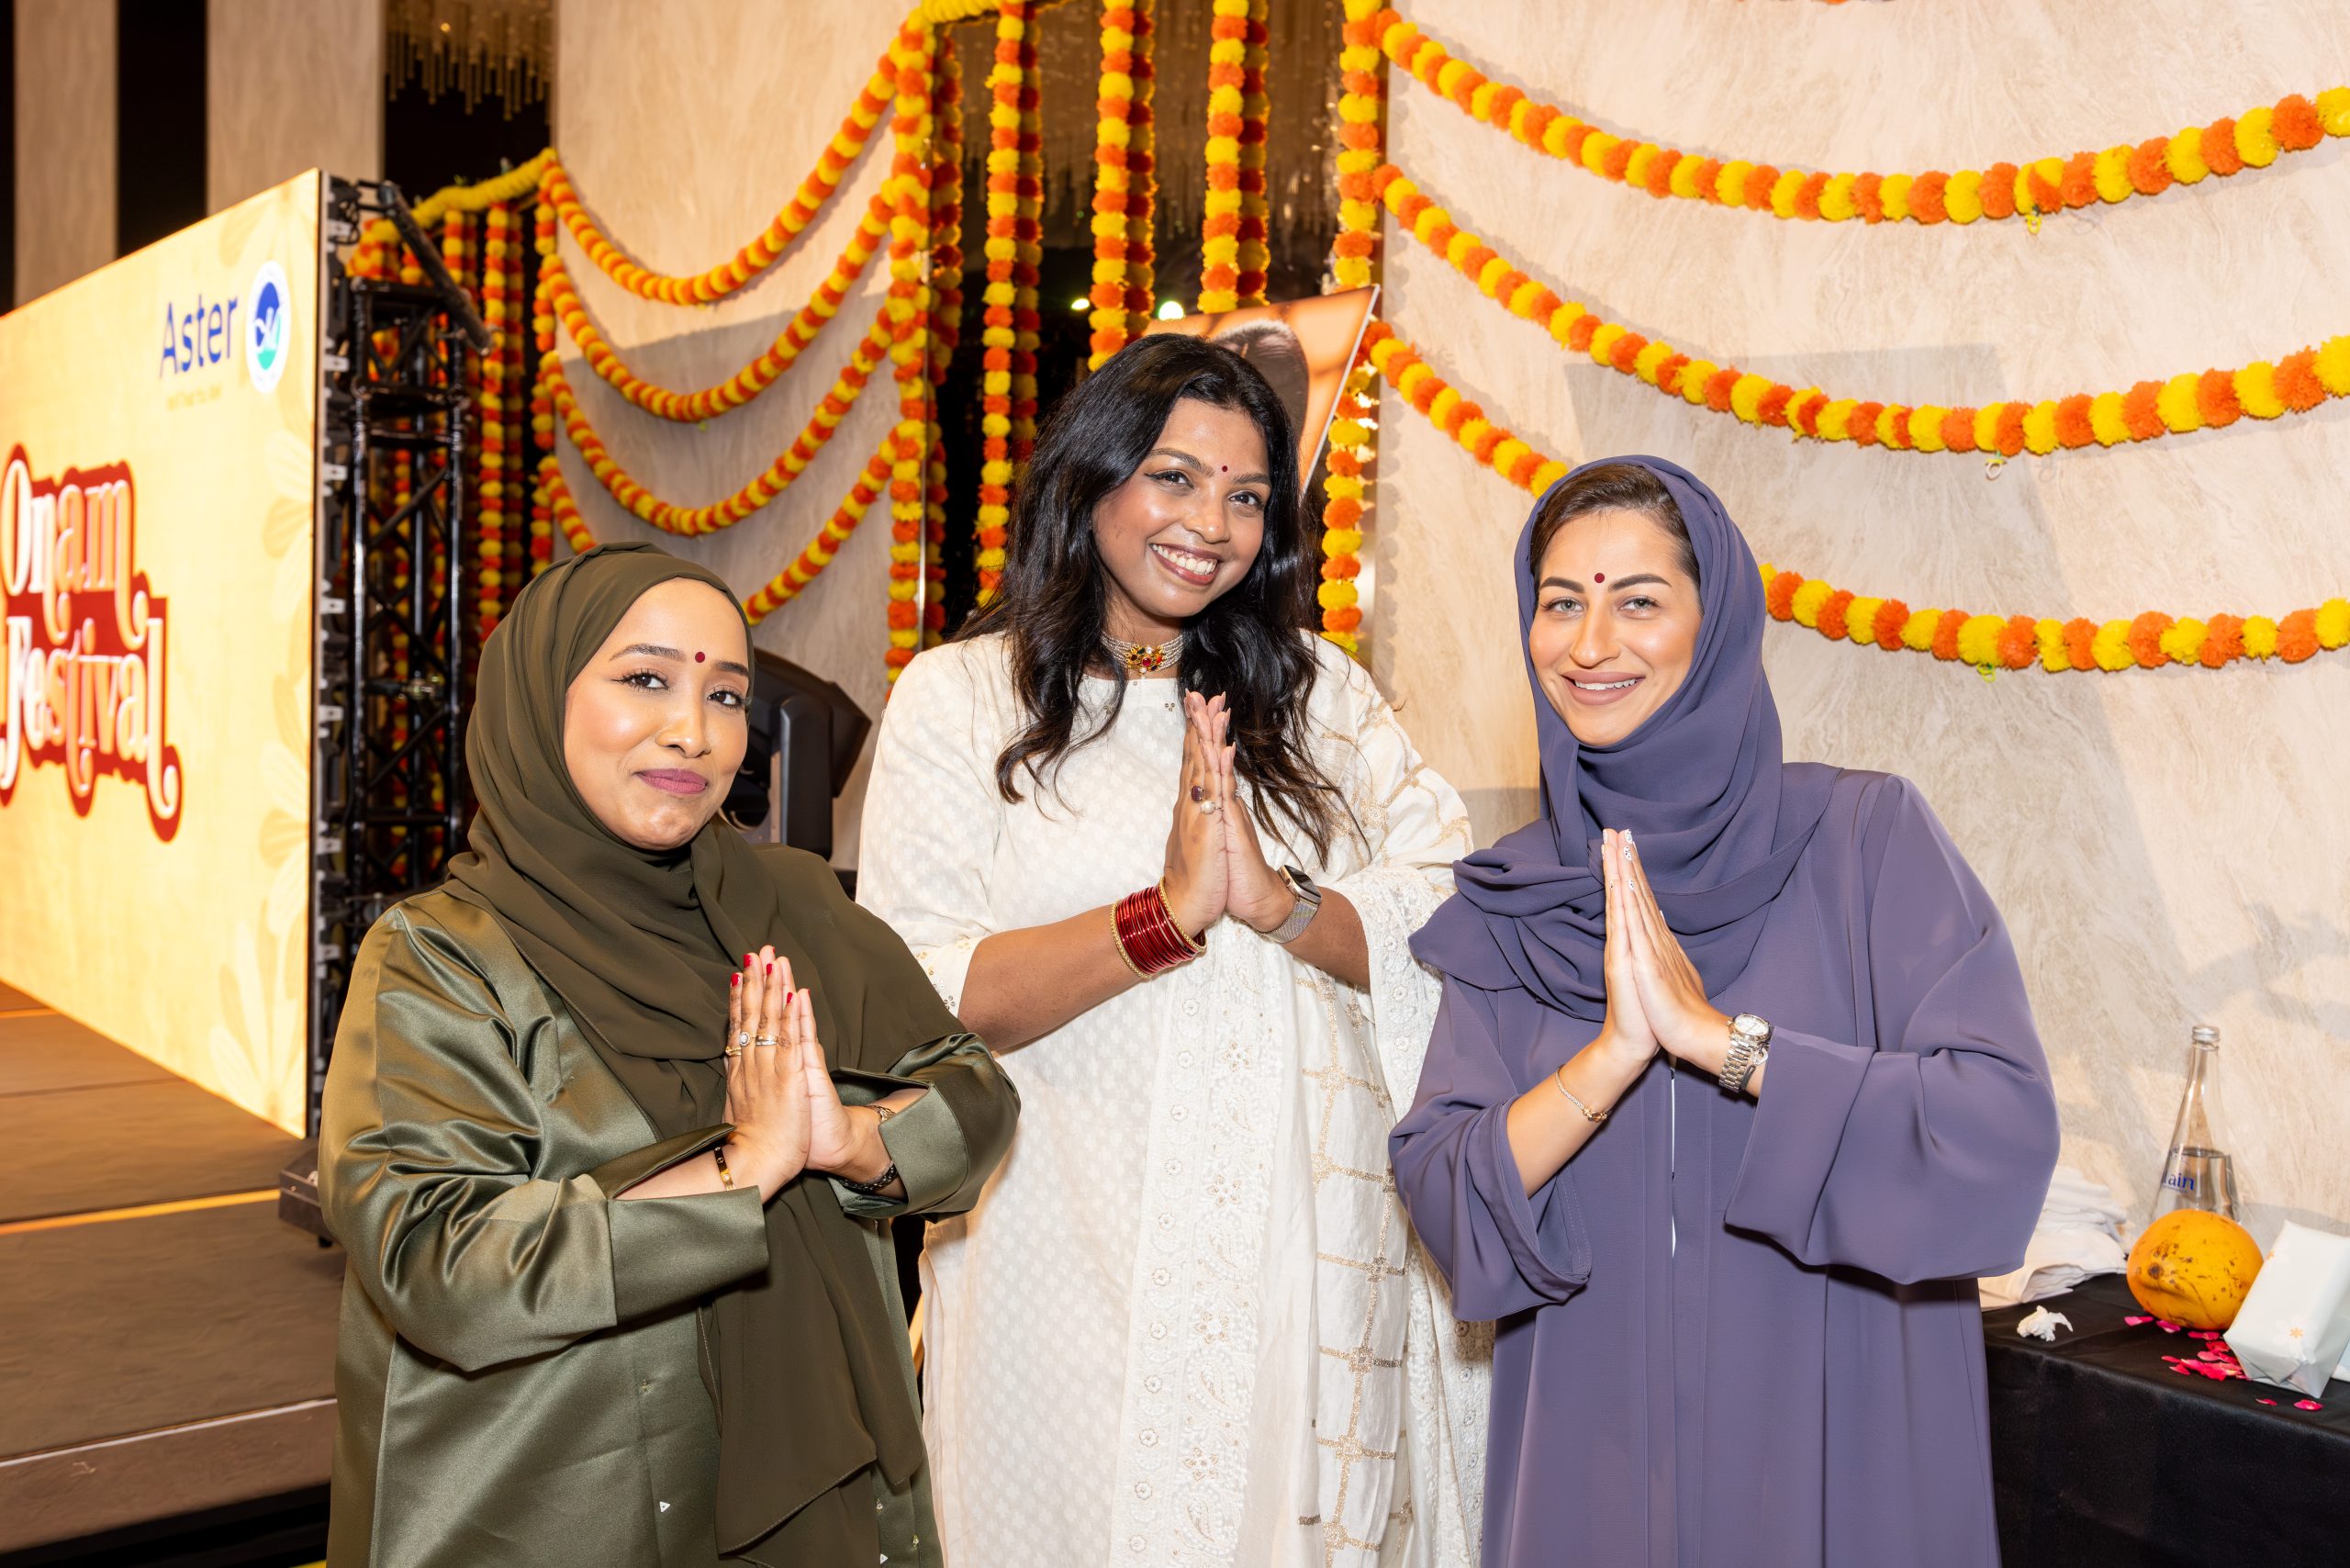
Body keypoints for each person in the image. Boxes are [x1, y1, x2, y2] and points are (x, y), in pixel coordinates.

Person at [856, 334, 1488, 1567]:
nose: (1212, 524)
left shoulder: (1323, 698)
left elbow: (1450, 913)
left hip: (1310, 1277)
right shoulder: (964, 699)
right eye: (1175, 477)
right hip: (1063, 1266)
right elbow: (918, 989)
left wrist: (1280, 904)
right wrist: (1164, 917)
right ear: (1091, 479)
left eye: (1247, 496)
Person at [1390, 457, 2061, 1568]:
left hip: (1835, 1439)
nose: (1588, 643)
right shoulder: (1519, 895)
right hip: (1592, 1453)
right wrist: (1609, 1059)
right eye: (1560, 602)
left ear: (1718, 623)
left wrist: (1722, 1044)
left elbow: (1994, 1129)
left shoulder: (1864, 841)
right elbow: (1449, 1194)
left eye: (1637, 600)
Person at [319, 543, 1016, 1568]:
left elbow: (975, 1093)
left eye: (726, 694)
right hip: (562, 1511)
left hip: (825, 1509)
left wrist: (853, 1138)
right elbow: (440, 1263)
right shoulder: (443, 959)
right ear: (540, 699)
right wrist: (743, 1166)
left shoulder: (792, 908)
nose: (694, 729)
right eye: (645, 679)